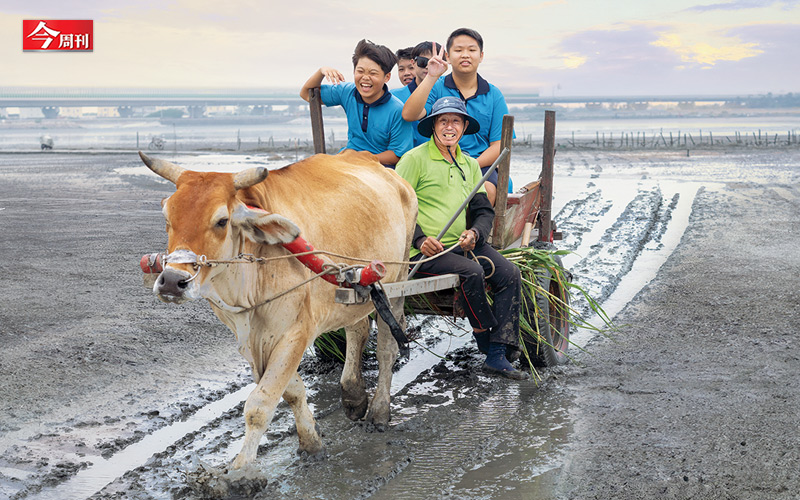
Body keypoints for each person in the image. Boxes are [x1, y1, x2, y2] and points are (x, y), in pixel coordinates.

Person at [396, 96, 528, 380]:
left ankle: (500, 350)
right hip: (425, 251)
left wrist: (476, 232)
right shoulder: (414, 159)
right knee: (472, 272)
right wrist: (419, 239)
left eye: (456, 121)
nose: (449, 126)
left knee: (509, 273)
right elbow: (395, 208)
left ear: (464, 126)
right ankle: (486, 342)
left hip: (463, 244)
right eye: (443, 121)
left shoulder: (469, 165)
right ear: (433, 126)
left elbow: (482, 210)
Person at [402, 28, 512, 204]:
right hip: (436, 160)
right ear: (448, 55)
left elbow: (499, 145)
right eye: (458, 50)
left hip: (479, 164)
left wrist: (470, 166)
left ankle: (473, 232)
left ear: (481, 56)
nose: (465, 55)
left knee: (486, 192)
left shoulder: (493, 94)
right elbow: (410, 114)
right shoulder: (436, 86)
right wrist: (431, 76)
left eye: (472, 50)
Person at [300, 39, 413, 167]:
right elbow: (307, 95)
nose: (365, 77)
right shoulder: (347, 92)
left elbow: (398, 154)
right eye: (360, 71)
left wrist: (361, 159)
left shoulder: (397, 110)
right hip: (348, 161)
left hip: (379, 169)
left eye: (373, 73)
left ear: (386, 77)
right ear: (354, 71)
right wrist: (321, 71)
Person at [392, 41, 439, 147]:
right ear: (415, 62)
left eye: (410, 68)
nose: (406, 73)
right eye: (401, 69)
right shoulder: (394, 96)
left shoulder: (446, 92)